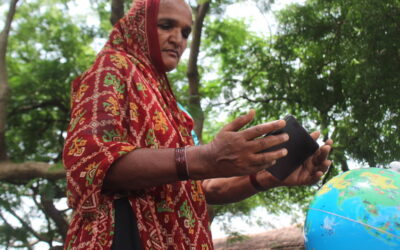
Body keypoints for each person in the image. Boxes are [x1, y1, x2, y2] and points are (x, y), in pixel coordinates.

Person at [62, 0, 333, 249]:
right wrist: (204, 157)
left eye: (185, 33)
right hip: (123, 235)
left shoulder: (173, 109)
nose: (177, 39)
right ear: (138, 25)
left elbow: (204, 188)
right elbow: (90, 163)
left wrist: (269, 176)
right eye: (166, 25)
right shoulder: (111, 67)